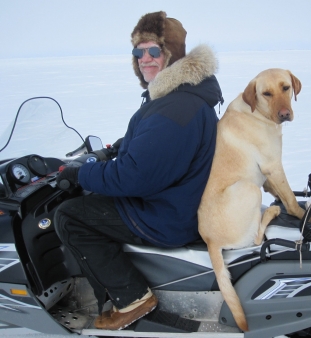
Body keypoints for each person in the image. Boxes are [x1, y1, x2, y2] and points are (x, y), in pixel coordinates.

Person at [54, 11, 223, 331]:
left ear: (172, 53)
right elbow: (153, 142)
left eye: (154, 51)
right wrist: (113, 150)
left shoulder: (175, 107)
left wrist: (80, 175)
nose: (145, 58)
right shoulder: (183, 95)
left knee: (71, 215)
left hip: (165, 214)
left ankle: (130, 300)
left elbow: (135, 176)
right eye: (138, 51)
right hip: (179, 201)